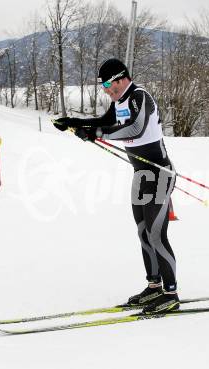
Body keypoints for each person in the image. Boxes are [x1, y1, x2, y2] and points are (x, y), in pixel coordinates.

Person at [53, 58, 179, 313]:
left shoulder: (139, 97)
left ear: (122, 78)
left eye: (110, 85)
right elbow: (103, 121)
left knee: (157, 235)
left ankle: (171, 293)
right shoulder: (119, 101)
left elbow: (135, 128)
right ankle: (154, 287)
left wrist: (98, 134)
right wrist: (75, 123)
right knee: (143, 231)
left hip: (160, 174)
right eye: (104, 87)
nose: (108, 91)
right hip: (141, 174)